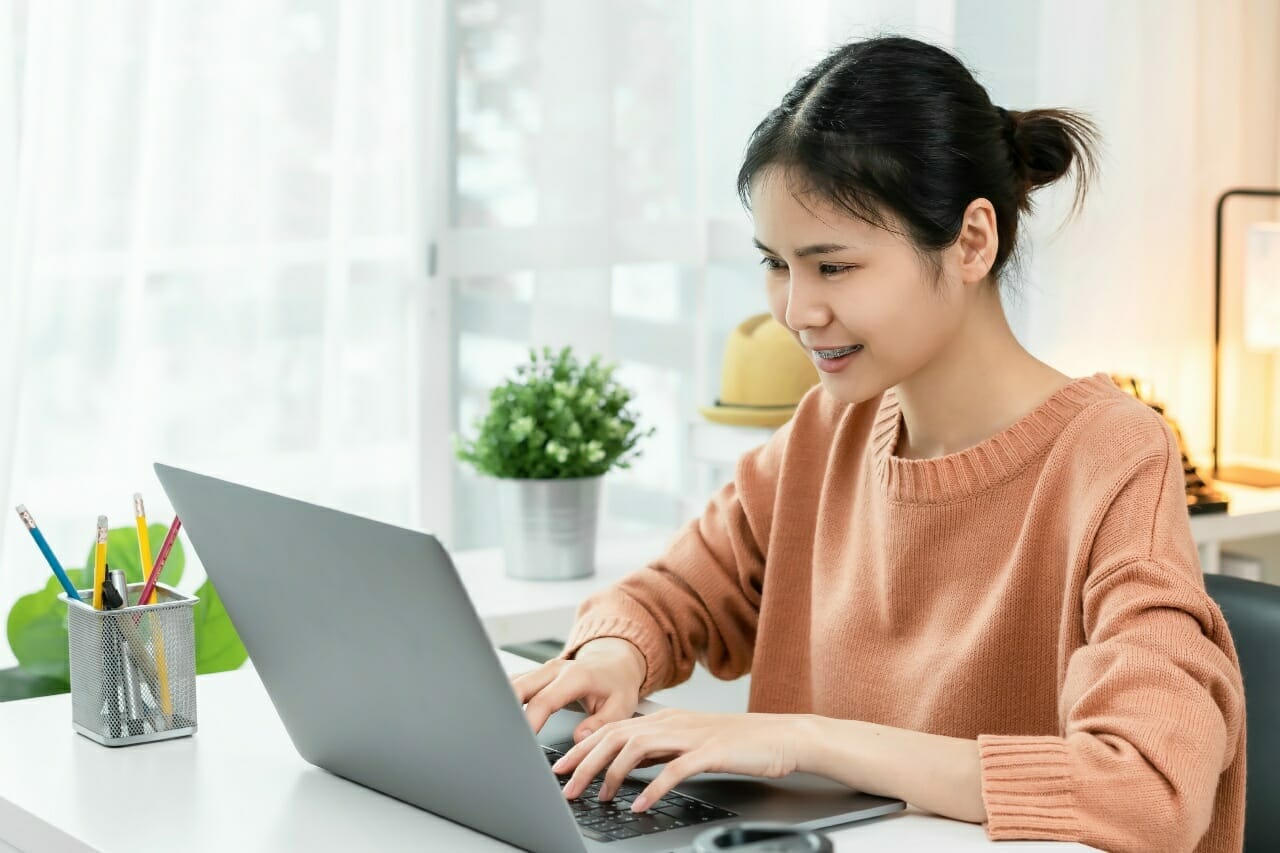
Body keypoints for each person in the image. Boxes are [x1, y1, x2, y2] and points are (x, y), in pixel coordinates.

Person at [511, 35, 1245, 853]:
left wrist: (806, 740)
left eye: (833, 266)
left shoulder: (1110, 455)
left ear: (972, 242)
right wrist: (614, 655)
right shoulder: (833, 426)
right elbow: (670, 594)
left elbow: (1147, 787)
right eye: (776, 263)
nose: (795, 310)